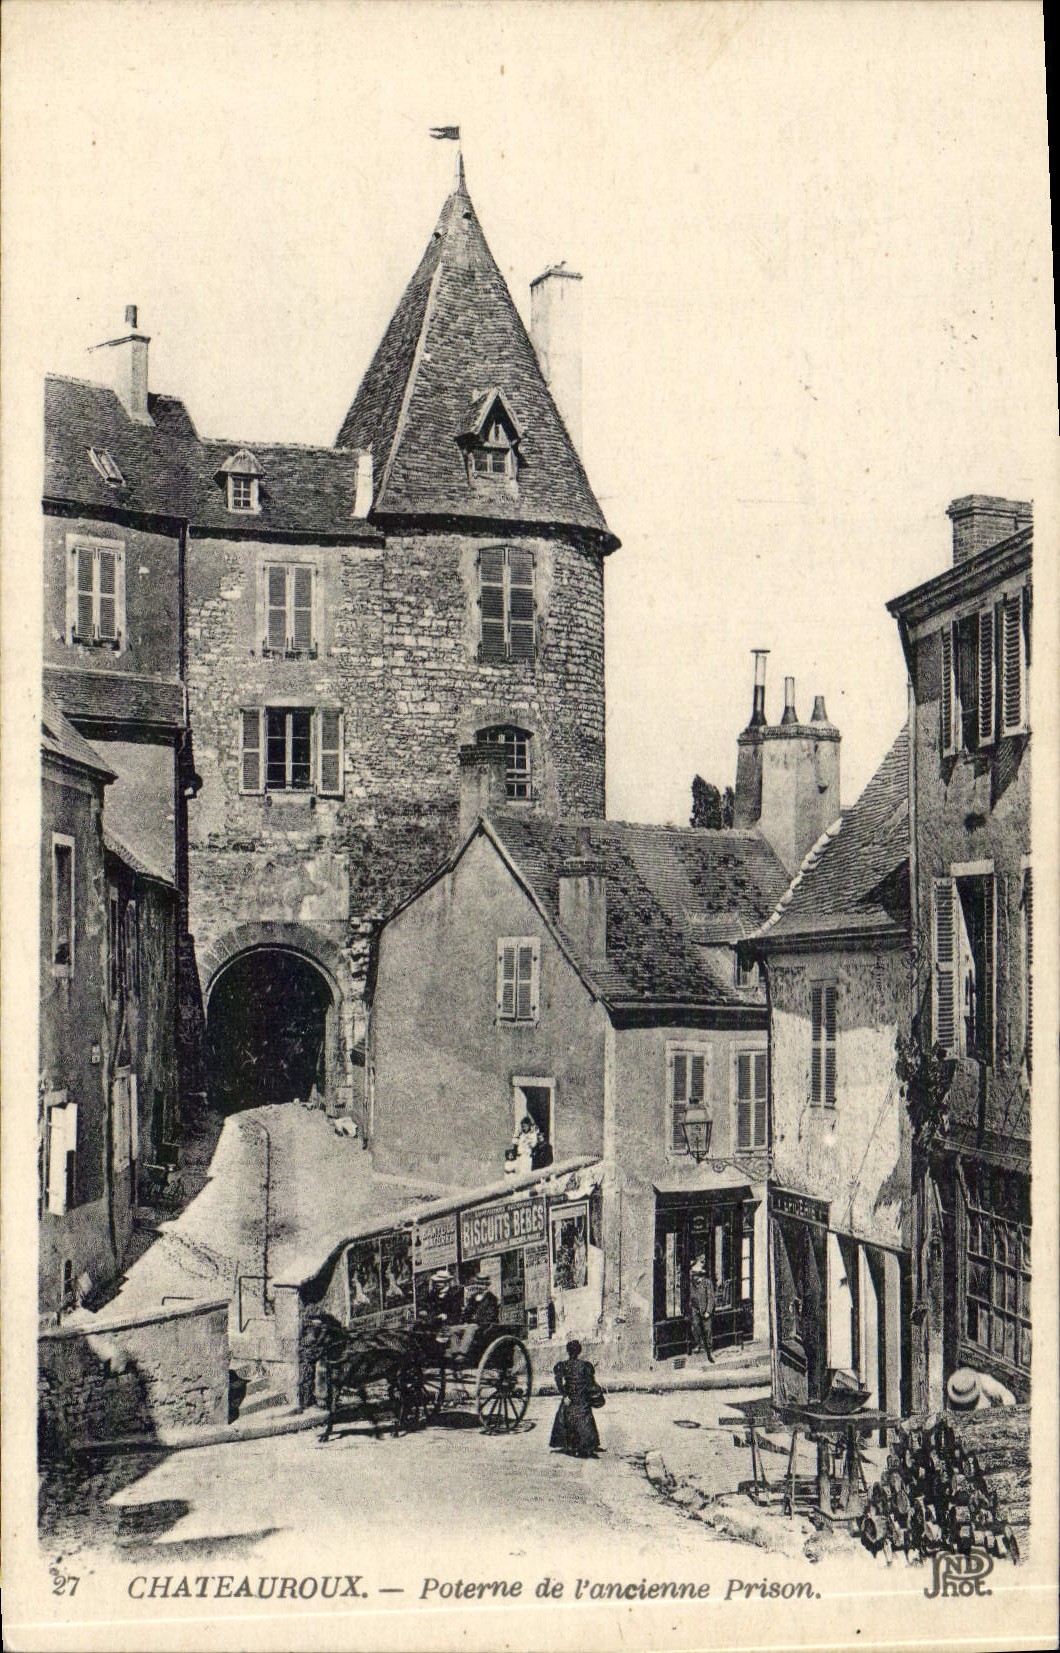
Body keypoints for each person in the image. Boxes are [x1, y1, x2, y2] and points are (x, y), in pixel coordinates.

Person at [550, 1339, 602, 1458]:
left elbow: (558, 1381)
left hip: (570, 1398)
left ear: (568, 1352)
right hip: (582, 1398)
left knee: (565, 1418)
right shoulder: (585, 1365)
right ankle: (586, 1446)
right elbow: (590, 1383)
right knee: (585, 1419)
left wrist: (564, 1394)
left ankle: (571, 1446)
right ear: (580, 1351)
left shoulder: (563, 1365)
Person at [688, 1256, 715, 1362]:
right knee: (695, 1327)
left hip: (705, 1311)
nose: (693, 1277)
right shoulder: (692, 1284)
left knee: (707, 1329)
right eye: (693, 1274)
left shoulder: (707, 1283)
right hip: (695, 1309)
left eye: (695, 1275)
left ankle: (709, 1348)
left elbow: (711, 1298)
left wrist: (708, 1311)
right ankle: (700, 1345)